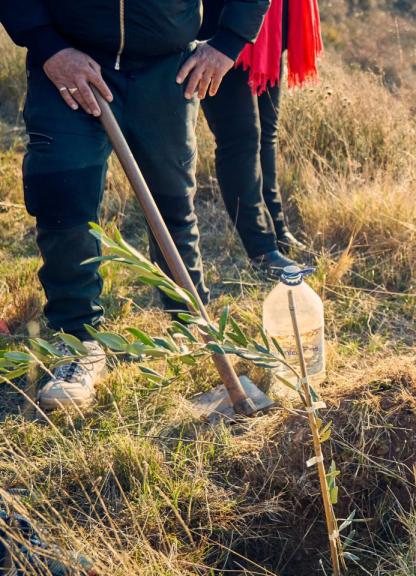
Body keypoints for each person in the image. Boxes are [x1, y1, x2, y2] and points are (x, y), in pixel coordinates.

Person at [0, 0, 269, 410]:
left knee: (172, 205)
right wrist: (48, 45)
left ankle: (192, 328)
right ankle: (79, 344)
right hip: (69, 61)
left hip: (166, 67)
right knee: (62, 200)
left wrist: (227, 44)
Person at [198, 0, 322, 276]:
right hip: (223, 27)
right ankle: (263, 251)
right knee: (240, 139)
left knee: (267, 133)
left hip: (268, 19)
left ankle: (277, 231)